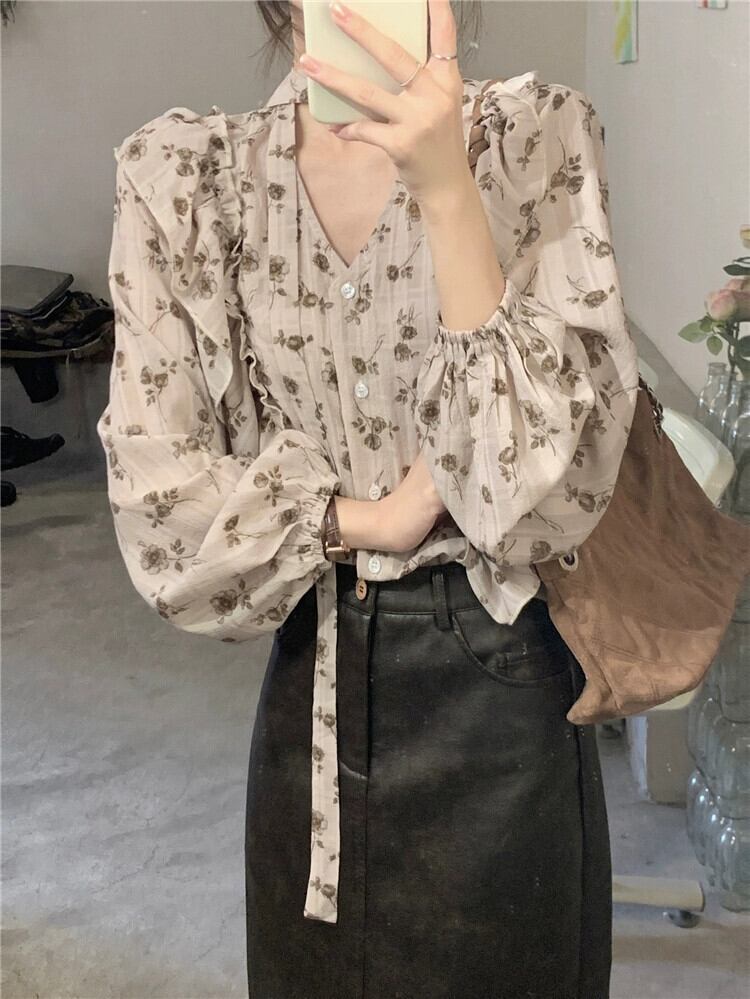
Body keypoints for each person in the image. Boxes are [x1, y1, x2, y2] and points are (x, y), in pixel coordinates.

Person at [96, 1, 640, 995]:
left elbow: (548, 499)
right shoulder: (188, 179)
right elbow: (158, 504)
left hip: (501, 685)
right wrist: (360, 519)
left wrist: (447, 189)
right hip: (311, 679)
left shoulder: (536, 140)